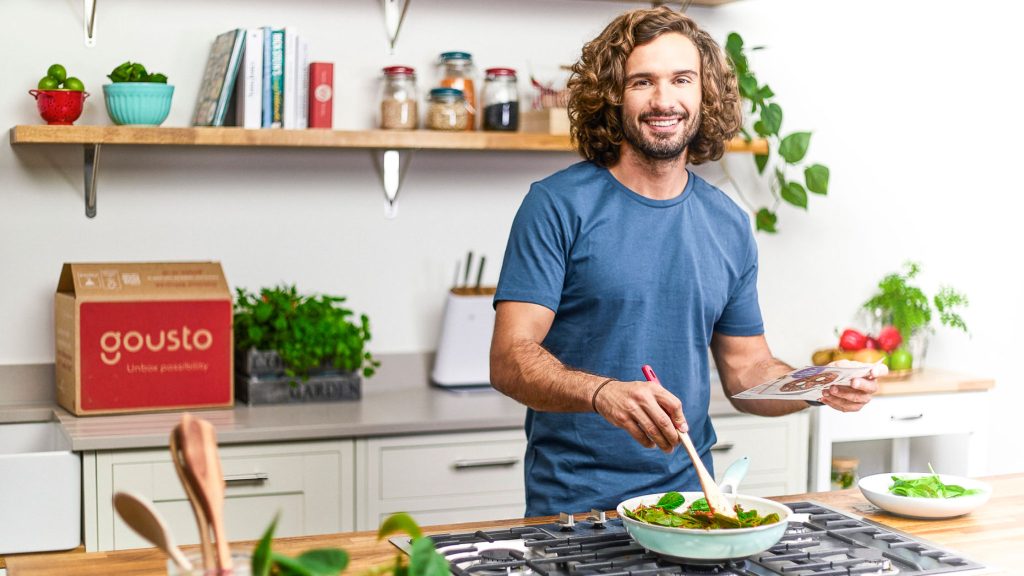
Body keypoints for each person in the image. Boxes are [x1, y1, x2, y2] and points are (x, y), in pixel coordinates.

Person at [490, 7, 885, 517]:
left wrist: (818, 385)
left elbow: (747, 373)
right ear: (613, 96)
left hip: (689, 503)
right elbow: (509, 358)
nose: (664, 100)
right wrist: (602, 393)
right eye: (642, 82)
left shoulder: (728, 223)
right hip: (574, 509)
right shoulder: (557, 205)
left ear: (704, 93)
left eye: (682, 79)